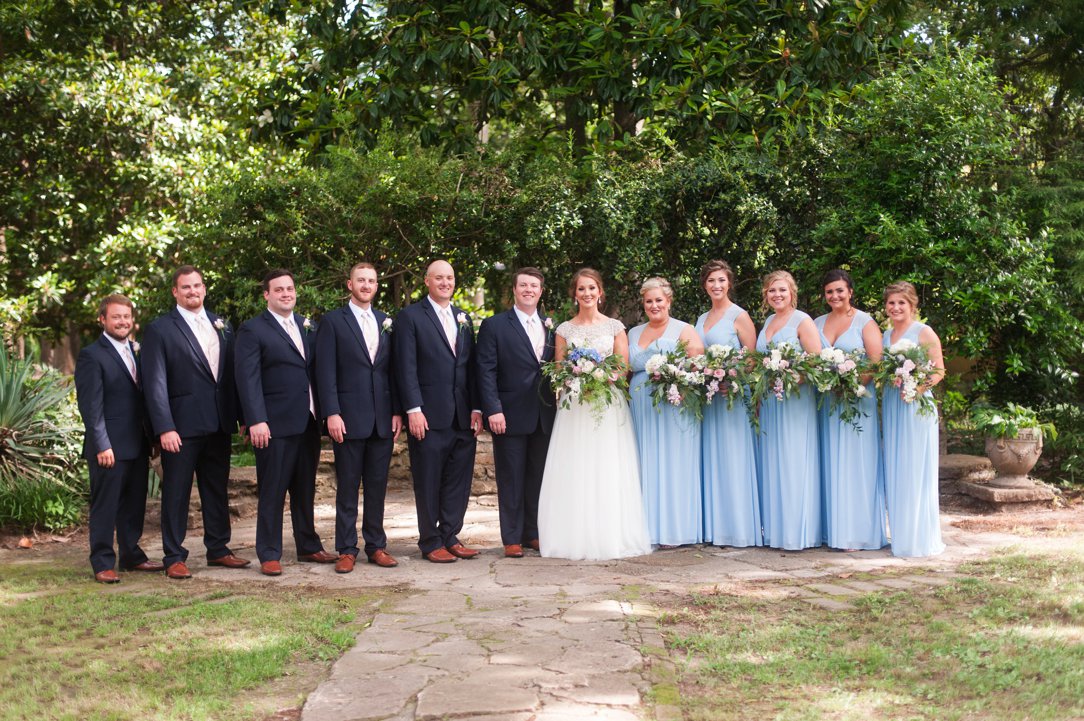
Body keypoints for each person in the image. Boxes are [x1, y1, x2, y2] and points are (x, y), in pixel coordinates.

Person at [142, 265, 250, 579]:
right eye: (186, 287)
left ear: (204, 288)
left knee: (216, 489)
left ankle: (218, 549)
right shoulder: (160, 329)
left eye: (198, 286)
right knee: (176, 492)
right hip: (181, 427)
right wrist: (164, 427)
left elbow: (230, 378)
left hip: (218, 422)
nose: (193, 292)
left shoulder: (223, 326)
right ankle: (174, 555)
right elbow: (155, 383)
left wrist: (242, 418)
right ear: (175, 292)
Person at [536, 268, 651, 560]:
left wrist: (599, 377)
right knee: (575, 465)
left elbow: (622, 366)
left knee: (606, 464)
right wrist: (576, 380)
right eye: (581, 289)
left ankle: (609, 534)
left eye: (592, 288)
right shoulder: (564, 329)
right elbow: (560, 367)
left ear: (600, 292)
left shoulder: (614, 327)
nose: (587, 293)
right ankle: (572, 536)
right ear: (574, 294)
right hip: (575, 405)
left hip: (606, 403)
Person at [235, 269, 338, 576]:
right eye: (278, 289)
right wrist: (256, 420)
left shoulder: (308, 326)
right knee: (273, 490)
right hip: (273, 424)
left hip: (307, 421)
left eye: (290, 288)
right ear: (266, 294)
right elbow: (247, 379)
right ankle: (269, 552)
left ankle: (308, 546)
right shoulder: (252, 330)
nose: (285, 294)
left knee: (305, 489)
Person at [315, 262, 402, 574]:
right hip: (348, 418)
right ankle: (346, 549)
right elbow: (324, 372)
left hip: (381, 418)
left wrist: (395, 412)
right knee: (348, 486)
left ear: (376, 286)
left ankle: (376, 546)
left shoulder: (385, 321)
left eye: (372, 281)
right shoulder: (333, 322)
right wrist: (332, 413)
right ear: (349, 285)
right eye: (361, 280)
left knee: (378, 486)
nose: (367, 285)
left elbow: (392, 371)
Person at [394, 260, 483, 563]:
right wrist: (412, 409)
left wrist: (476, 407)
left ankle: (450, 535)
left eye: (450, 278)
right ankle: (430, 541)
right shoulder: (410, 317)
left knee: (458, 480)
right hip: (428, 415)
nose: (446, 282)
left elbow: (470, 367)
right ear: (427, 281)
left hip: (461, 414)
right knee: (428, 480)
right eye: (439, 278)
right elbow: (405, 367)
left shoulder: (464, 317)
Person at [74, 294, 163, 583]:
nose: (122, 321)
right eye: (116, 317)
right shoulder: (92, 355)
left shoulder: (137, 351)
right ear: (102, 319)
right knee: (106, 506)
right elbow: (90, 405)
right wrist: (102, 444)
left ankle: (131, 556)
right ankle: (102, 562)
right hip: (109, 447)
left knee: (135, 503)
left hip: (137, 442)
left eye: (126, 316)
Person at [475, 267, 556, 558]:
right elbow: (485, 371)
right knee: (510, 477)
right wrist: (492, 409)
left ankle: (532, 532)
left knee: (537, 476)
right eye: (523, 285)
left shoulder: (553, 327)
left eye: (534, 286)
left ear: (540, 291)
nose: (529, 290)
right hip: (507, 414)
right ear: (514, 289)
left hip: (544, 414)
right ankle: (511, 537)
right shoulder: (495, 325)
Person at [628, 277, 704, 548]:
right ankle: (647, 529)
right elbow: (626, 367)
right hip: (642, 407)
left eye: (659, 300)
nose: (654, 305)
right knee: (646, 462)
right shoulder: (634, 333)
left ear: (669, 300)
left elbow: (698, 365)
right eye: (648, 301)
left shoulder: (685, 330)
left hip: (674, 404)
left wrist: (682, 386)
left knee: (675, 462)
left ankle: (676, 529)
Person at [814, 269, 887, 551]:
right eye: (830, 291)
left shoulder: (864, 322)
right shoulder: (818, 322)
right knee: (830, 462)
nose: (835, 296)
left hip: (857, 400)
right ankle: (832, 530)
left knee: (856, 464)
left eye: (840, 291)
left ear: (850, 292)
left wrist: (853, 386)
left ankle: (857, 533)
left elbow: (875, 362)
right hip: (826, 403)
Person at [694, 260, 762, 548]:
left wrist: (730, 377)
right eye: (711, 281)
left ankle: (739, 529)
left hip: (733, 394)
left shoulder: (740, 316)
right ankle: (717, 528)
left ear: (729, 283)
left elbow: (751, 358)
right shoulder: (701, 318)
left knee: (734, 457)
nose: (716, 286)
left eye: (721, 280)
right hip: (710, 396)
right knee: (714, 458)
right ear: (705, 286)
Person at [755, 270, 823, 550]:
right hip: (771, 401)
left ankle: (799, 533)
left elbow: (816, 361)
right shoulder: (769, 321)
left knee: (795, 461)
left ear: (792, 292)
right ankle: (777, 531)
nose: (777, 295)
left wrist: (794, 376)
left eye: (782, 290)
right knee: (774, 462)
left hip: (795, 400)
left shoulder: (802, 321)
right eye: (772, 291)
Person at [882, 281, 946, 557]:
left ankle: (919, 539)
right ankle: (901, 536)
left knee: (915, 470)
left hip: (916, 407)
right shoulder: (885, 335)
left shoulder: (923, 331)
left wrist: (915, 388)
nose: (896, 308)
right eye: (891, 303)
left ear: (912, 305)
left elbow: (939, 371)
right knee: (896, 470)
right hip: (893, 407)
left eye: (901, 303)